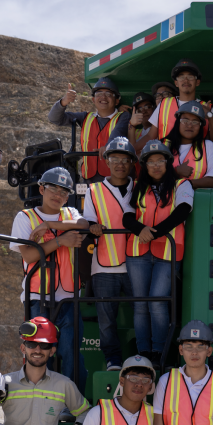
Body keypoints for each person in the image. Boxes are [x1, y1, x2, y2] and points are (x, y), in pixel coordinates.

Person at [9, 166, 88, 388]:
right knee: (40, 353)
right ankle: (41, 398)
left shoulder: (71, 214)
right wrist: (60, 241)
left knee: (71, 352)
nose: (58, 195)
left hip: (69, 297)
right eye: (53, 188)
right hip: (38, 298)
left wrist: (50, 226)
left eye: (64, 192)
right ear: (41, 189)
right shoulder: (25, 217)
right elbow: (30, 254)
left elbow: (84, 225)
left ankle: (74, 404)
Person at [123, 140, 194, 365]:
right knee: (141, 302)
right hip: (137, 251)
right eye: (150, 162)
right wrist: (141, 230)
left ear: (168, 162)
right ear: (144, 165)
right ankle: (143, 353)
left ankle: (159, 354)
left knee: (157, 302)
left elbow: (182, 211)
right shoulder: (136, 185)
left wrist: (154, 233)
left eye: (160, 161)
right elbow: (127, 216)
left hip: (168, 251)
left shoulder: (182, 184)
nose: (155, 166)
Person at [84, 137, 138, 371]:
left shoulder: (140, 187)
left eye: (125, 159)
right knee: (106, 321)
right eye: (115, 158)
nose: (120, 164)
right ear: (106, 161)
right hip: (104, 266)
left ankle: (142, 357)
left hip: (139, 263)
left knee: (144, 314)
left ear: (132, 163)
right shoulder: (93, 190)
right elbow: (88, 220)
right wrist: (92, 227)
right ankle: (113, 361)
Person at [48, 77, 130, 184]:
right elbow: (54, 119)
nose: (103, 97)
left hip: (114, 179)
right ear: (93, 100)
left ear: (117, 101)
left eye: (109, 94)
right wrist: (64, 101)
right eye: (99, 94)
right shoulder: (85, 117)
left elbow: (118, 132)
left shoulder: (124, 116)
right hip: (88, 179)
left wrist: (109, 147)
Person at [140, 59, 213, 149]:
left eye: (190, 77)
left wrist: (209, 117)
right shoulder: (164, 103)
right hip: (167, 160)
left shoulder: (206, 107)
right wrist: (133, 149)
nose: (186, 81)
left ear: (197, 82)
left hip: (195, 160)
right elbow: (150, 136)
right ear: (176, 83)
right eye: (181, 77)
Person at [166, 101, 213, 188]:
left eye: (195, 122)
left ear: (200, 127)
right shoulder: (164, 145)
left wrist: (185, 184)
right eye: (185, 120)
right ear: (178, 123)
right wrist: (176, 171)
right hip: (166, 200)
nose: (189, 125)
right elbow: (150, 177)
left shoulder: (208, 146)